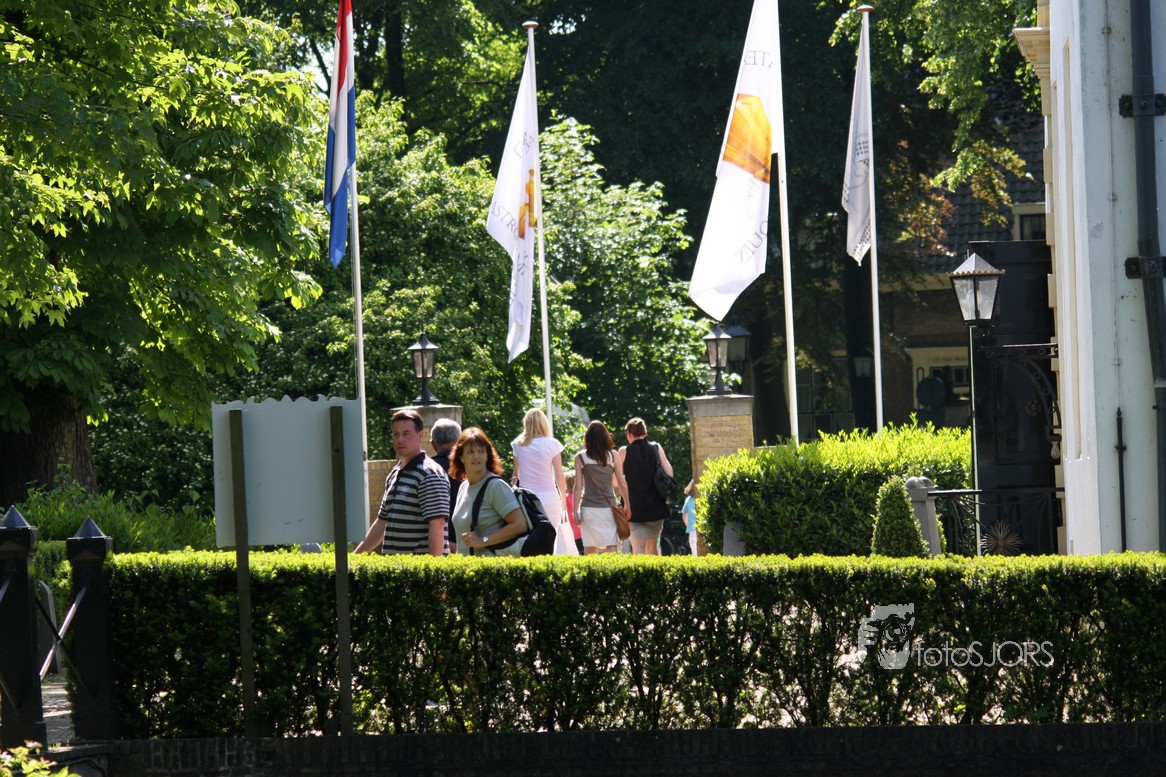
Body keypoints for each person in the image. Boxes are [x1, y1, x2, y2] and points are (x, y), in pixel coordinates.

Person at [355, 409, 450, 556]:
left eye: (406, 434)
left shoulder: (429, 474)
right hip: (395, 567)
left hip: (418, 568)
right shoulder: (394, 473)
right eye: (396, 434)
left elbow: (437, 524)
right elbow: (381, 523)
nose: (400, 440)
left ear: (420, 435)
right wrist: (354, 559)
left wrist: (434, 567)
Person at [448, 427, 528, 555]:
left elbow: (520, 525)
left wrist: (483, 541)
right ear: (461, 457)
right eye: (470, 452)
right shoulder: (463, 487)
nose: (476, 456)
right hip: (466, 564)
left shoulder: (495, 486)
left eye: (481, 451)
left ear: (487, 455)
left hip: (490, 564)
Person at [511, 408, 577, 556]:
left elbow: (516, 475)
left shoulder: (517, 444)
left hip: (527, 499)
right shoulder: (552, 444)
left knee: (529, 538)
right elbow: (559, 475)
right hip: (549, 496)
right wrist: (563, 499)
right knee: (551, 538)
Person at [617, 417, 674, 555]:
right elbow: (669, 473)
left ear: (629, 433)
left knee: (638, 547)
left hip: (633, 507)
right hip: (655, 506)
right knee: (652, 546)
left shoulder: (624, 451)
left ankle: (640, 570)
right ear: (644, 432)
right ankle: (654, 570)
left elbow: (614, 481)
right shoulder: (655, 447)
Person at [572, 420, 629, 554]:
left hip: (588, 508)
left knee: (589, 547)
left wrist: (575, 511)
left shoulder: (580, 458)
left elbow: (578, 487)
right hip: (609, 508)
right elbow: (622, 483)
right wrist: (627, 504)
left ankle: (590, 569)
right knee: (611, 545)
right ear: (605, 436)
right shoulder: (613, 455)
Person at [429, 417, 463, 553]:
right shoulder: (472, 467)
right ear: (460, 442)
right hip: (470, 541)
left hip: (437, 544)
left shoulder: (426, 469)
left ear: (433, 444)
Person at [564, 472, 584, 555]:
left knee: (577, 553)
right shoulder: (582, 496)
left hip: (572, 532)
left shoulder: (566, 497)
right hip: (583, 531)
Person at [680, 479, 700, 556]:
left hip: (692, 530)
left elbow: (684, 515)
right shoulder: (705, 498)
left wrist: (689, 526)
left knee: (695, 554)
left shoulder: (688, 499)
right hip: (704, 531)